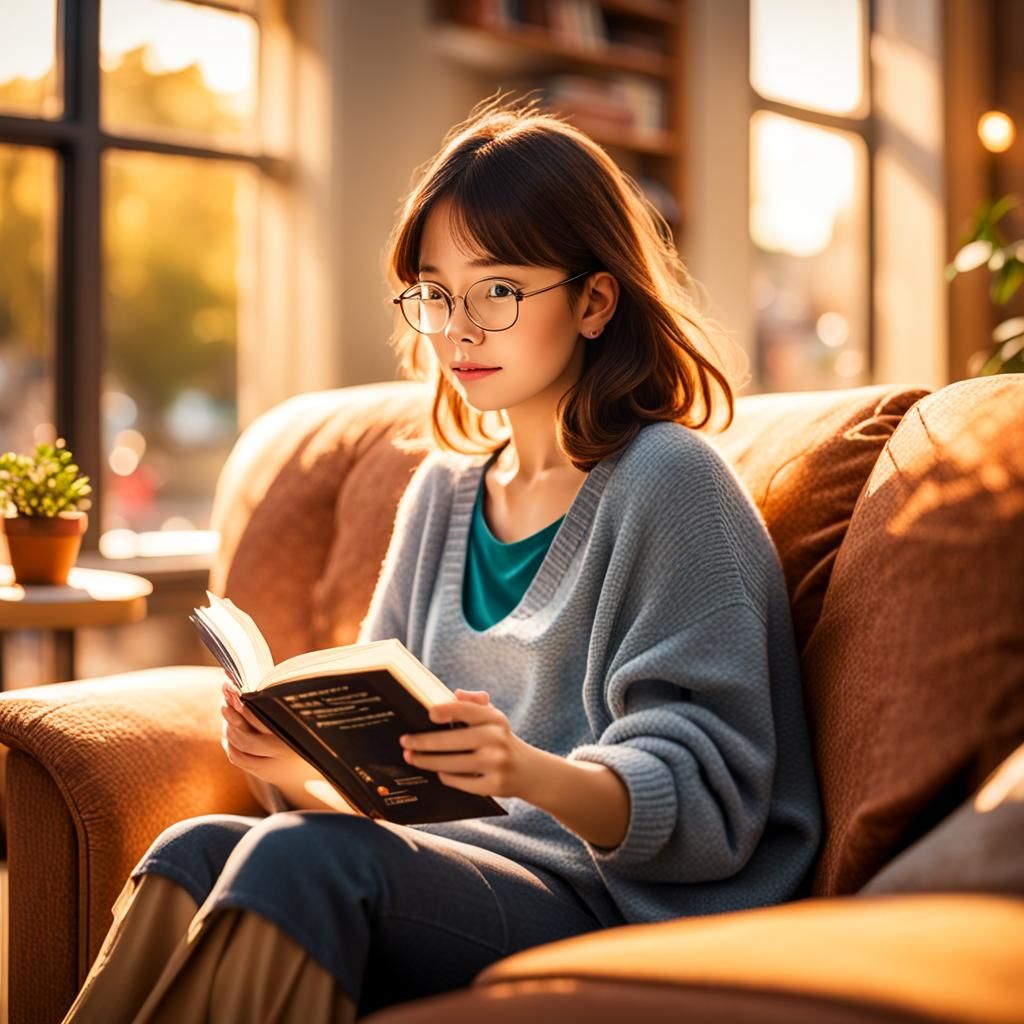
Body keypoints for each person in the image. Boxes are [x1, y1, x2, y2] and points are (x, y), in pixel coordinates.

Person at [61, 93, 822, 1024]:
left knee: (304, 861)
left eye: (497, 290)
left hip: (608, 903)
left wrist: (523, 770)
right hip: (453, 871)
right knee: (194, 848)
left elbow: (712, 806)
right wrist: (292, 760)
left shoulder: (670, 482)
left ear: (593, 300)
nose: (459, 327)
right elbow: (386, 778)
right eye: (434, 292)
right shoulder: (441, 496)